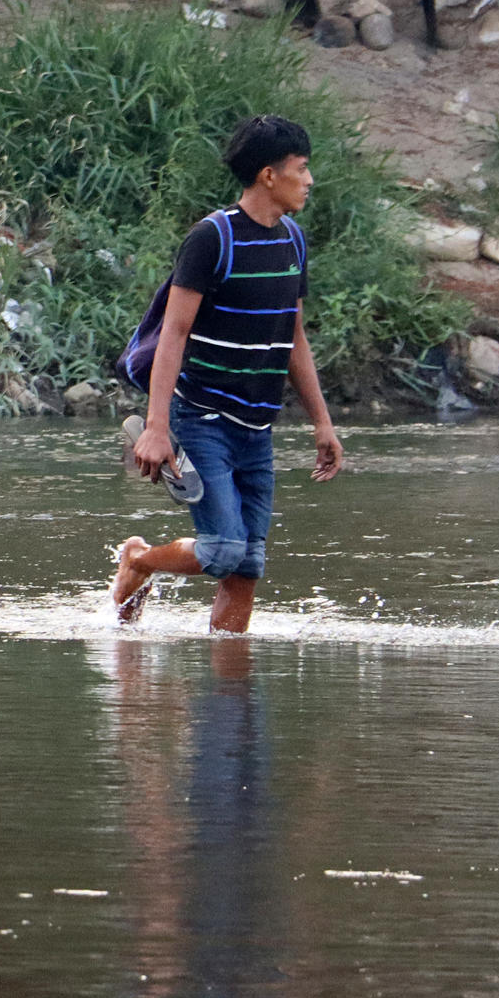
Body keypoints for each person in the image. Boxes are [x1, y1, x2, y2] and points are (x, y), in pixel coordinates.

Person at [111, 115, 343, 633]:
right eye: (301, 169)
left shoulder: (293, 241)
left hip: (256, 427)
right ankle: (139, 562)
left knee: (247, 565)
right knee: (222, 551)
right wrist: (156, 426)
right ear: (268, 175)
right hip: (202, 417)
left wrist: (321, 423)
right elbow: (173, 333)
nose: (309, 180)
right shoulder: (212, 239)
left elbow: (294, 337)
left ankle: (230, 691)